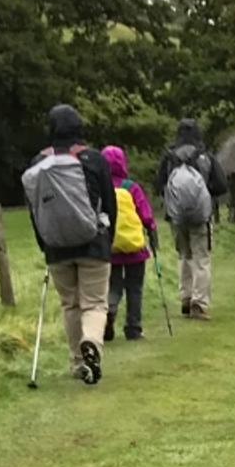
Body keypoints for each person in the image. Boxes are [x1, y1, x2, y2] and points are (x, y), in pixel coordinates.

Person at [21, 104, 116, 385]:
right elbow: (109, 205)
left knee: (70, 305)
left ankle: (77, 362)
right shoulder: (95, 160)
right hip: (93, 242)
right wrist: (107, 241)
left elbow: (35, 209)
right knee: (95, 303)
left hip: (56, 247)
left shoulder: (38, 163)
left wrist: (44, 243)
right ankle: (92, 344)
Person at [156, 118, 228, 320]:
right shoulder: (205, 156)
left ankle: (185, 298)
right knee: (201, 258)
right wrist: (205, 193)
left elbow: (159, 184)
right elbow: (221, 185)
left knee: (183, 255)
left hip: (176, 216)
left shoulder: (169, 157)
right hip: (201, 215)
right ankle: (200, 302)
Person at [102, 146, 157, 342]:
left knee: (113, 285)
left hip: (110, 246)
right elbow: (146, 214)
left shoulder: (101, 187)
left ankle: (109, 311)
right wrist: (151, 230)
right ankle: (133, 328)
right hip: (134, 247)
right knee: (135, 287)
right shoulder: (131, 187)